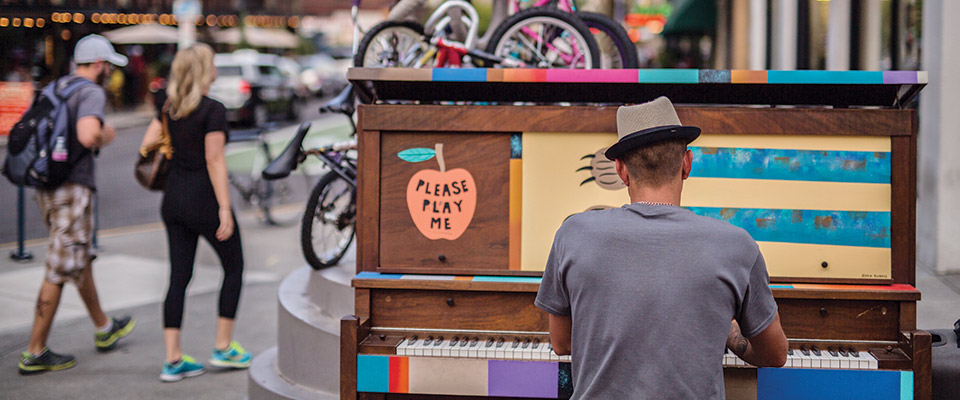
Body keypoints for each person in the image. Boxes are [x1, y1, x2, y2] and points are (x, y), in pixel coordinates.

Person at [535, 97, 788, 399]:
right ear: (686, 164)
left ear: (620, 170)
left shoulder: (572, 234)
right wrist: (730, 332)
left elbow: (562, 343)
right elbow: (775, 354)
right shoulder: (736, 244)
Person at [18, 34, 136, 375]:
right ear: (98, 65)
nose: (110, 74)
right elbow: (87, 135)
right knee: (60, 265)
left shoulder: (57, 87)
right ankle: (35, 350)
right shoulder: (91, 92)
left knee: (77, 257)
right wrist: (106, 135)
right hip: (71, 187)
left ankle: (103, 327)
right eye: (108, 67)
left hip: (47, 185)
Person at [138, 42, 250, 383]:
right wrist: (225, 209)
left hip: (172, 201)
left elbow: (146, 146)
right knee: (234, 266)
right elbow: (214, 159)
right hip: (203, 201)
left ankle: (173, 359)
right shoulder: (212, 110)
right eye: (213, 63)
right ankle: (223, 346)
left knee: (179, 277)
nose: (216, 68)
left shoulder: (168, 107)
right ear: (204, 71)